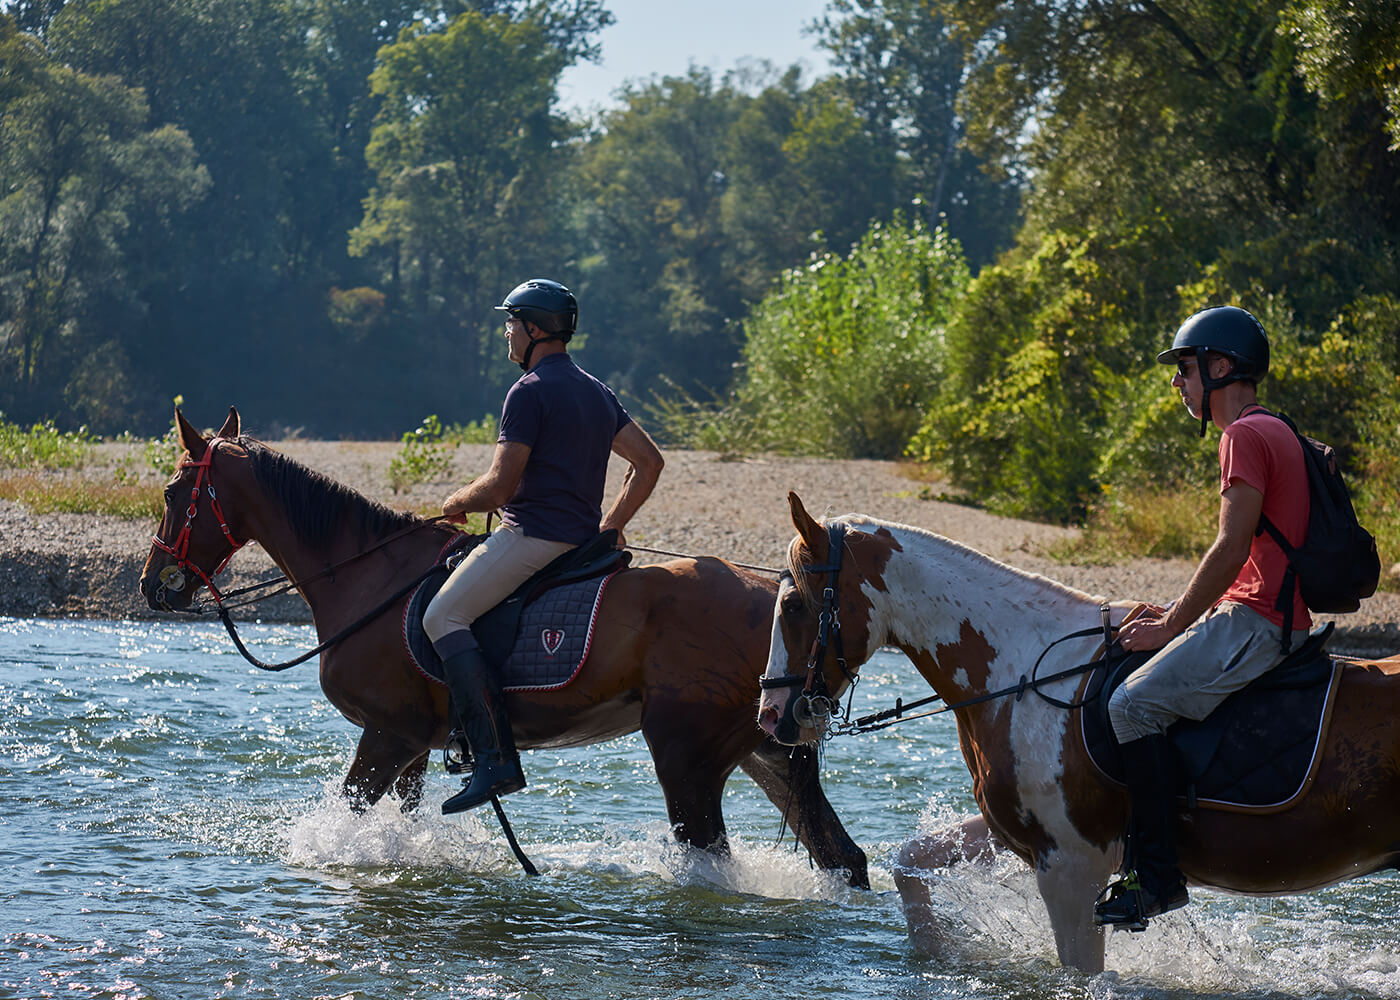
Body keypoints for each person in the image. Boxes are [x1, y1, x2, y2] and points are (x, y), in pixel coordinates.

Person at [1094, 305, 1312, 929]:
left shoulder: (1242, 434)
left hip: (1260, 621)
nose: (1178, 383)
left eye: (1185, 369)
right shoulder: (1275, 428)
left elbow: (1231, 547)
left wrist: (1170, 627)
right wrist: (1183, 612)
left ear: (1220, 367)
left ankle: (1157, 878)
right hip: (1258, 608)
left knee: (1129, 705)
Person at [423, 278, 664, 815]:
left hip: (531, 539)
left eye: (510, 323)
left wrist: (454, 500)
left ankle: (493, 759)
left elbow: (500, 488)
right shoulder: (597, 390)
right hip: (581, 545)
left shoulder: (528, 391)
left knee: (442, 618)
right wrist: (612, 526)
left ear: (533, 329)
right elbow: (649, 462)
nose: (506, 333)